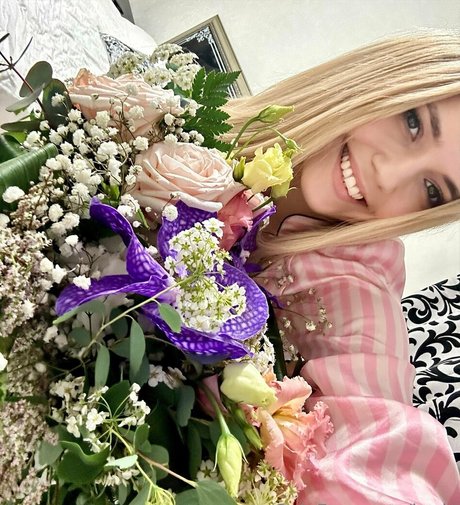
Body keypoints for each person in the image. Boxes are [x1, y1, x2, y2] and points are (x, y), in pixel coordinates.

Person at [224, 30, 460, 504]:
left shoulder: (357, 287)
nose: (387, 175)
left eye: (433, 190)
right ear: (382, 78)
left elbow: (382, 453)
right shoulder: (173, 127)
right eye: (413, 122)